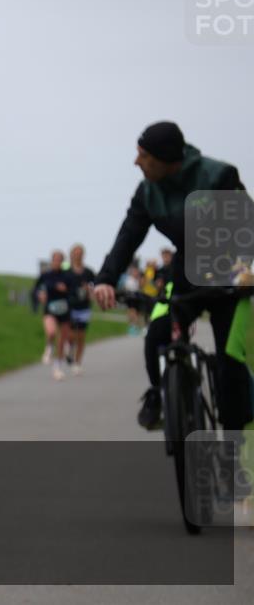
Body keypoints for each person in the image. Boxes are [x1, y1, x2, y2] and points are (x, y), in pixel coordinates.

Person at [93, 121, 251, 431]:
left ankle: (236, 446)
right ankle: (160, 393)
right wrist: (106, 279)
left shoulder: (218, 176)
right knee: (156, 335)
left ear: (166, 159)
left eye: (144, 156)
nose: (136, 162)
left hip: (230, 274)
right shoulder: (148, 192)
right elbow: (129, 236)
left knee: (230, 363)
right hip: (184, 272)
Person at [35, 250, 74, 381]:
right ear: (51, 260)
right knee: (51, 332)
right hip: (50, 309)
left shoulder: (67, 276)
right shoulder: (46, 275)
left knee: (62, 341)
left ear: (63, 262)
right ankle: (49, 347)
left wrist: (66, 290)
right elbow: (36, 289)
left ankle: (57, 368)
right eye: (55, 259)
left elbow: (72, 291)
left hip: (64, 310)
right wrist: (40, 295)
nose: (57, 262)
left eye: (60, 260)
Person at [65, 244, 95, 376]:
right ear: (71, 254)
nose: (78, 255)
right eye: (76, 253)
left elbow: (95, 286)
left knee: (81, 337)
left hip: (84, 307)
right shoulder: (66, 272)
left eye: (80, 253)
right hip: (70, 307)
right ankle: (69, 348)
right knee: (71, 335)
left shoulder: (88, 272)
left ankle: (77, 364)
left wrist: (89, 290)